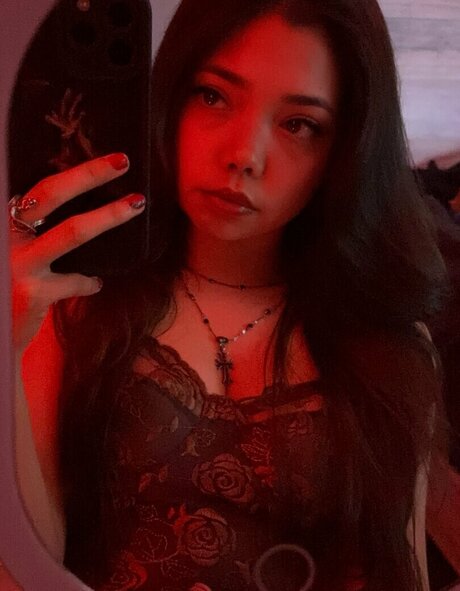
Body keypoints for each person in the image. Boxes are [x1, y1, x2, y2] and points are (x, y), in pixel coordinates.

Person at [9, 0, 450, 590]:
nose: (244, 155)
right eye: (213, 96)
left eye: (298, 124)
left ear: (343, 150)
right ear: (169, 96)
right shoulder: (74, 301)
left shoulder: (387, 342)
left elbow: (399, 570)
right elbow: (29, 565)